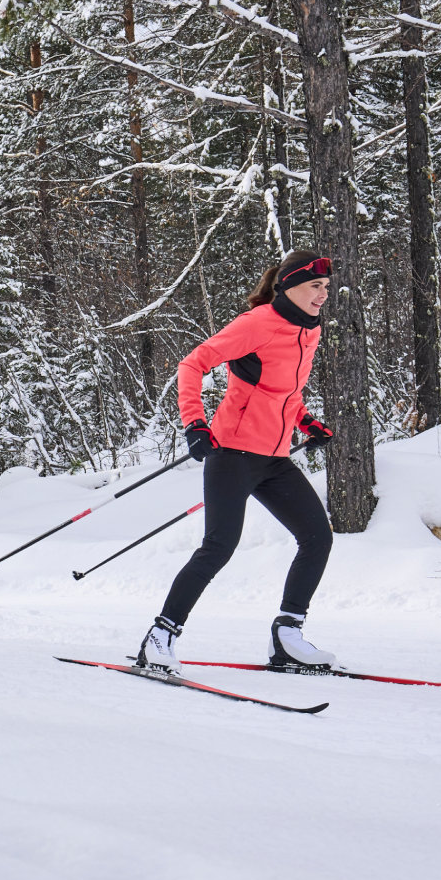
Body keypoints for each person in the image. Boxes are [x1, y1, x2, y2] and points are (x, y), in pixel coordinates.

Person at [136, 251, 340, 675]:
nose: (323, 294)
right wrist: (194, 422)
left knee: (317, 537)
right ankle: (160, 636)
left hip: (275, 457)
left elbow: (283, 390)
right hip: (232, 453)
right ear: (288, 285)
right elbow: (192, 364)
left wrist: (305, 421)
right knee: (218, 547)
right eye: (314, 286)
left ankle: (287, 636)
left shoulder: (309, 330)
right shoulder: (257, 323)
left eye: (325, 286)